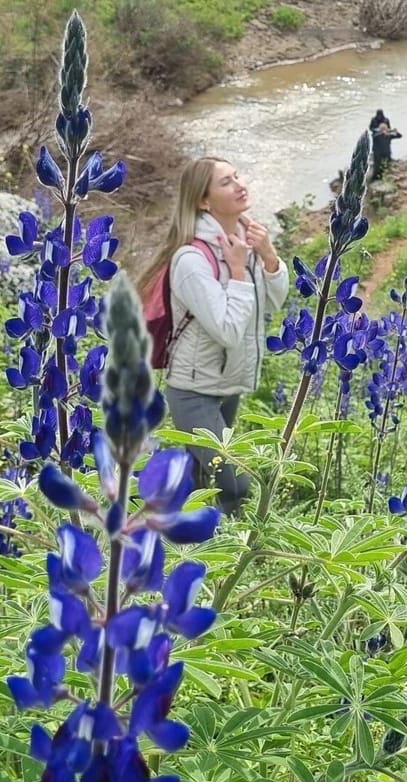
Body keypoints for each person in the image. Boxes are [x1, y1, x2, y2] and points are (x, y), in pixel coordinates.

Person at [137, 157, 290, 515]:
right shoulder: (191, 259)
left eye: (237, 176)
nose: (239, 185)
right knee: (233, 482)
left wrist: (268, 257)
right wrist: (238, 270)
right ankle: (233, 557)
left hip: (229, 384)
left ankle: (165, 532)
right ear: (204, 201)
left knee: (202, 477)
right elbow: (227, 330)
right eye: (226, 182)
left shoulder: (241, 243)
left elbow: (272, 303)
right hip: (194, 392)